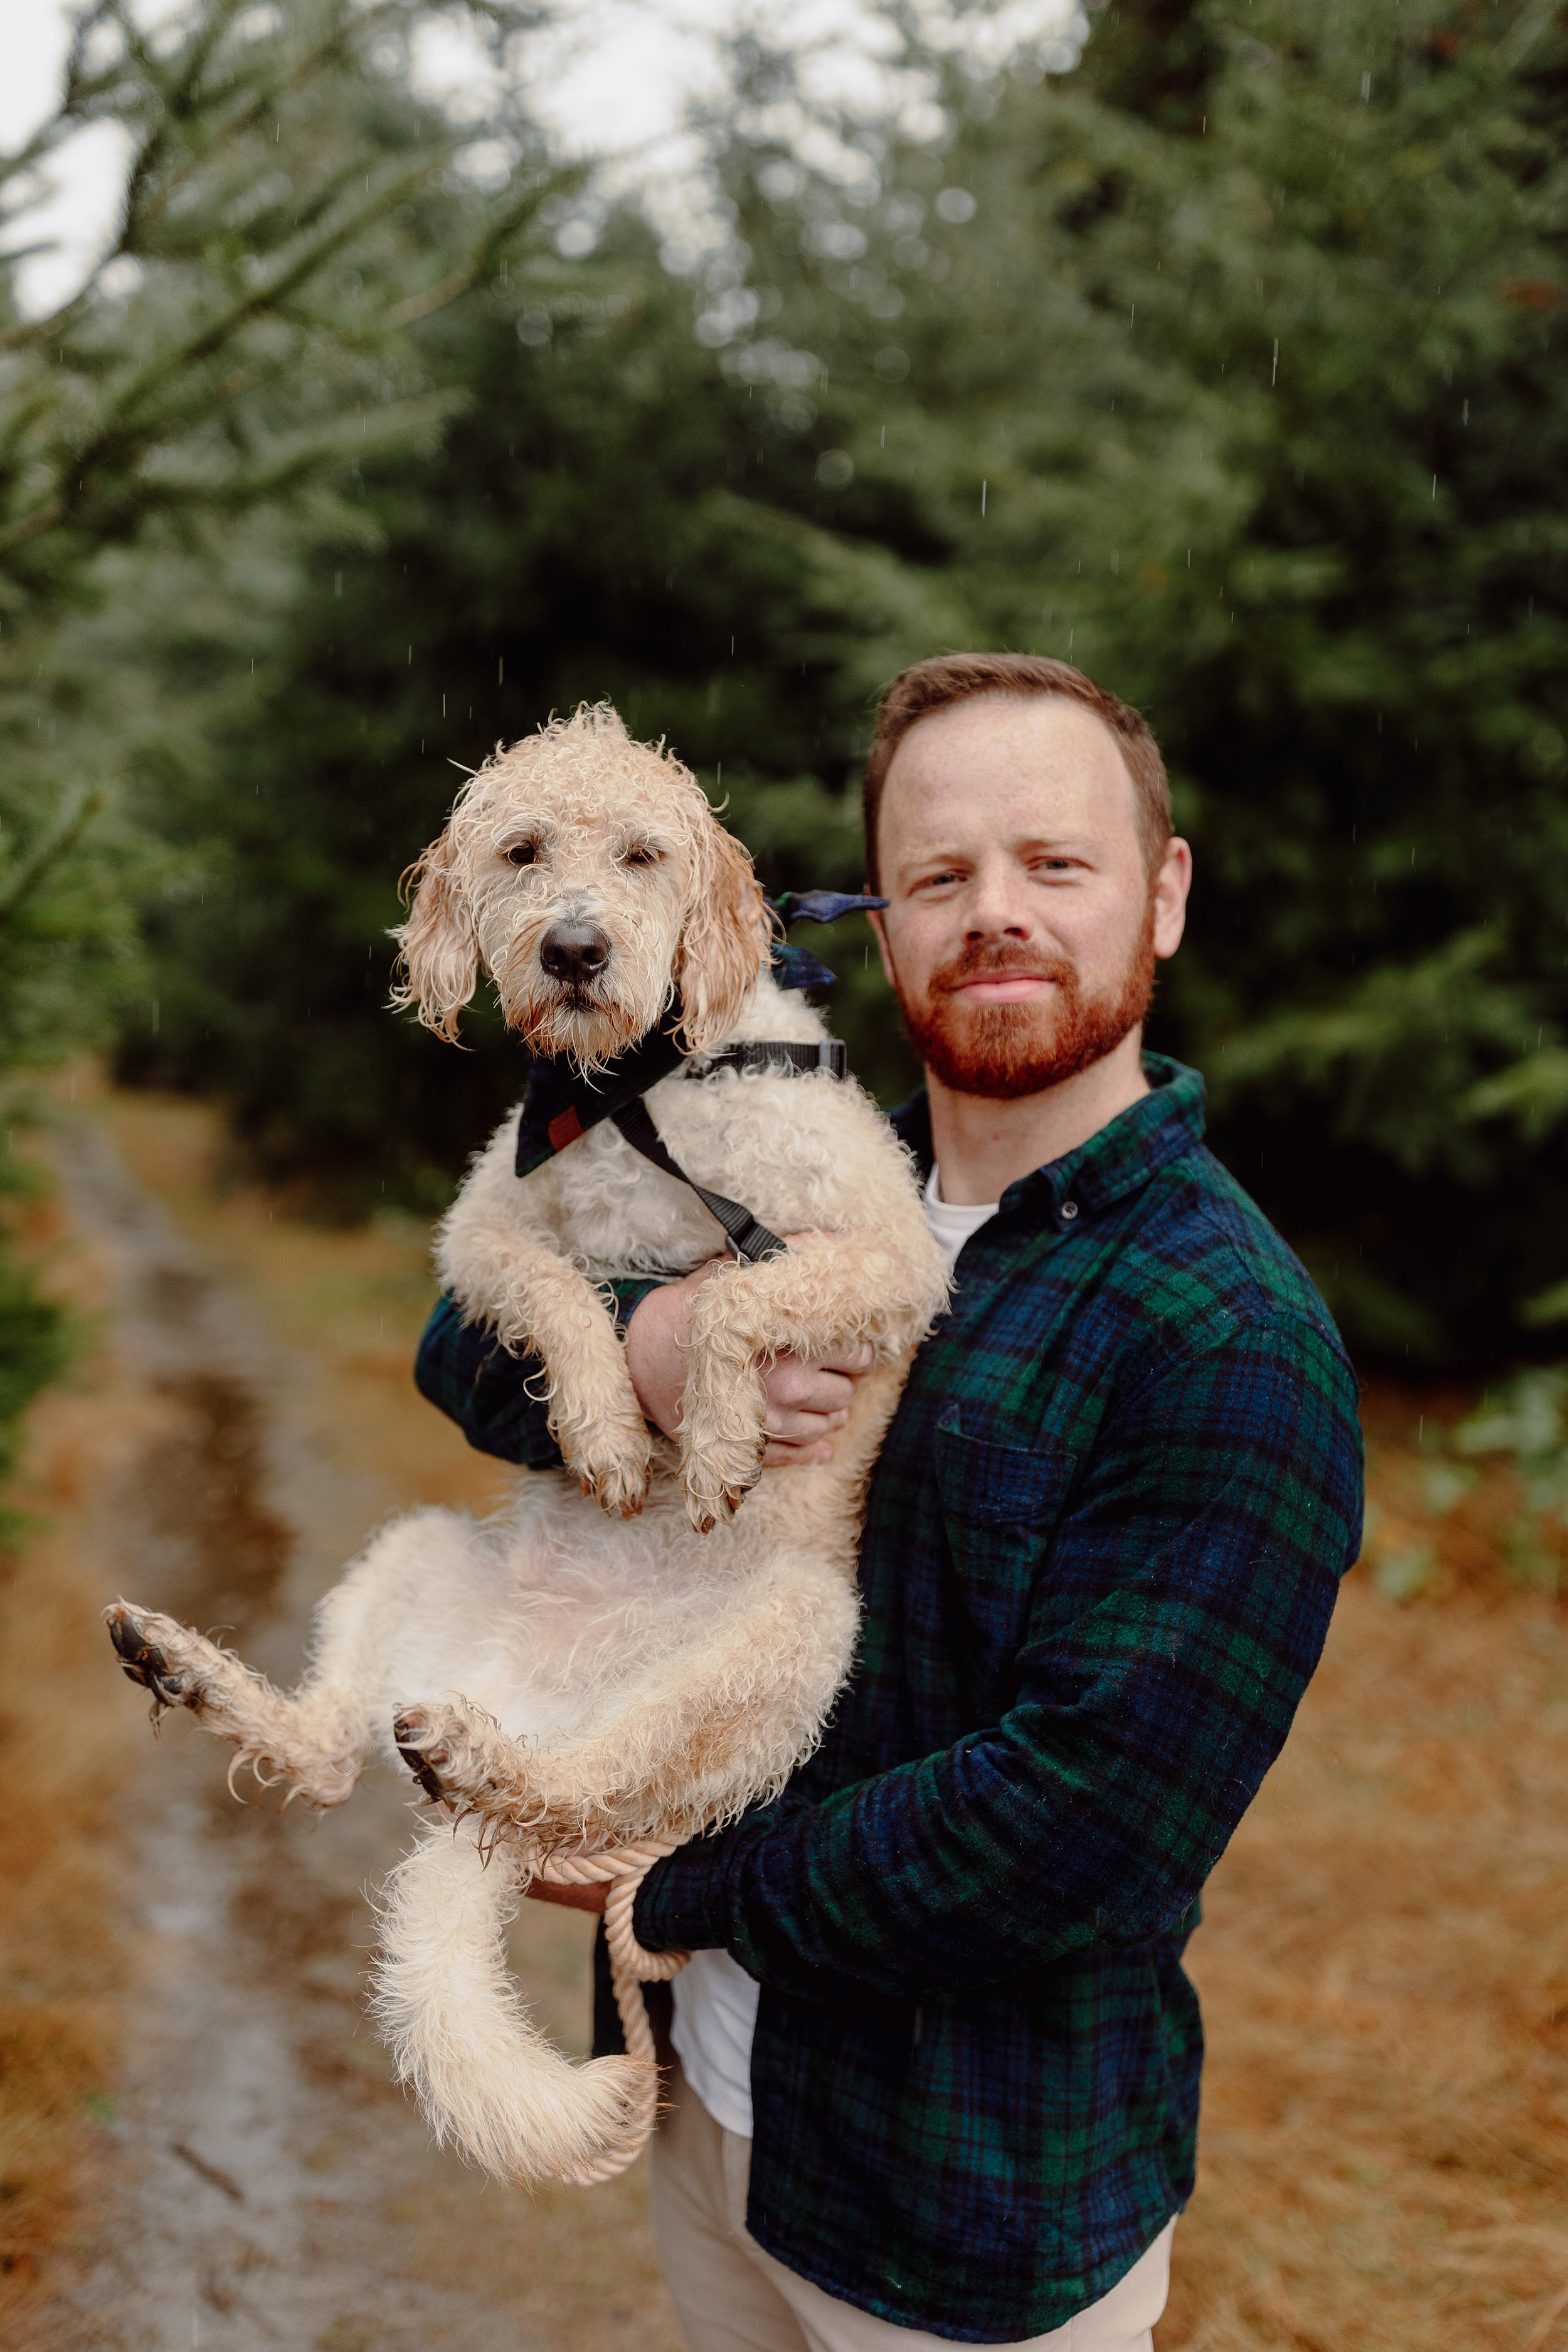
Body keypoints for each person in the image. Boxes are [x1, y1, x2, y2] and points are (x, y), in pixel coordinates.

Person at [413, 653, 1364, 2351]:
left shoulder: (1223, 1336)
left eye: (1052, 865)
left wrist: (667, 1889)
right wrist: (648, 1347)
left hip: (966, 2218)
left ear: (1161, 895)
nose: (992, 912)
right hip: (712, 2120)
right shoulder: (785, 1166)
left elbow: (1077, 1827)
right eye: (938, 874)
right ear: (877, 913)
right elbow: (458, 1345)